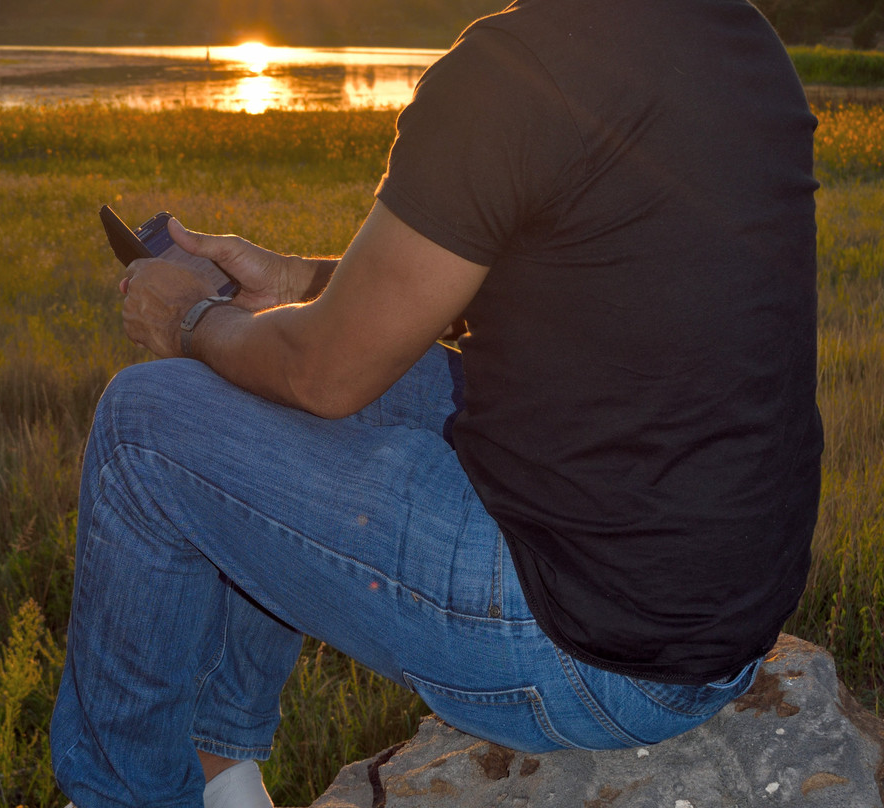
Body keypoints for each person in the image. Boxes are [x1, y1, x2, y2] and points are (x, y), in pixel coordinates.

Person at [50, 1, 823, 806]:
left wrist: (188, 319)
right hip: (717, 622)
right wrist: (294, 282)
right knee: (249, 368)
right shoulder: (732, 33)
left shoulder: (513, 68)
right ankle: (224, 775)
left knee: (144, 422)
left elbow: (323, 375)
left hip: (590, 648)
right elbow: (558, 274)